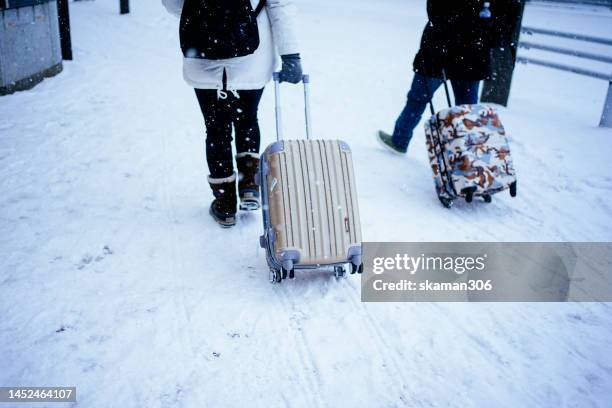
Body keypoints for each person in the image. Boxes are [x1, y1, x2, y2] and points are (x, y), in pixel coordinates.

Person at [162, 0, 302, 227]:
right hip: (252, 55)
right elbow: (279, 5)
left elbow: (173, 4)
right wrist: (291, 55)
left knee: (216, 127)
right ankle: (249, 185)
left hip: (203, 52)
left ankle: (225, 203)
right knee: (247, 117)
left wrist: (211, 16)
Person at [378, 0, 520, 155]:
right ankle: (469, 159)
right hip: (471, 53)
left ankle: (400, 140)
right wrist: (484, 34)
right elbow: (508, 16)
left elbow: (435, 10)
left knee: (419, 99)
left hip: (442, 50)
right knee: (466, 110)